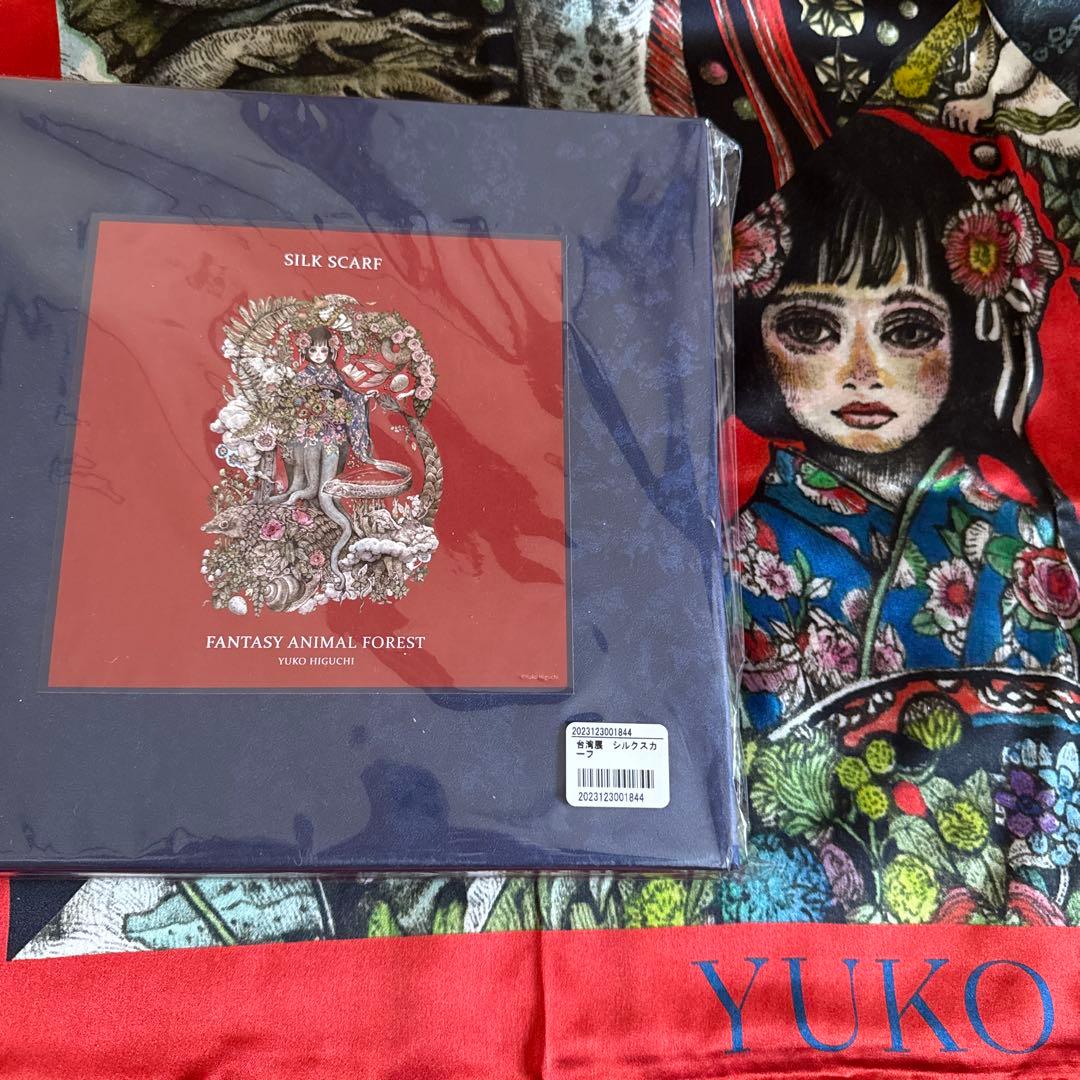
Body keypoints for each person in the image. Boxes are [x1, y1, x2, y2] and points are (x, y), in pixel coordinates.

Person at [730, 114, 1077, 734]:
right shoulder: (747, 546)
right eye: (810, 328)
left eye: (908, 330)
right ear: (757, 337)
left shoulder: (1023, 531)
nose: (862, 373)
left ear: (962, 333)